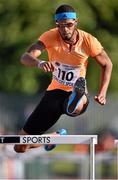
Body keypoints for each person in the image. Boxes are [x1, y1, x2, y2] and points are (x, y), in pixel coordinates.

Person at [14, 4, 112, 153]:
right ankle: (55, 137)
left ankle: (74, 100)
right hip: (54, 93)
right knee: (20, 146)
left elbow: (107, 64)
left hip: (76, 90)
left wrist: (103, 92)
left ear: (76, 23)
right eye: (60, 26)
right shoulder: (50, 36)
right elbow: (25, 57)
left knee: (75, 106)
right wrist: (40, 63)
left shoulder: (88, 41)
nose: (65, 29)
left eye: (69, 25)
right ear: (56, 25)